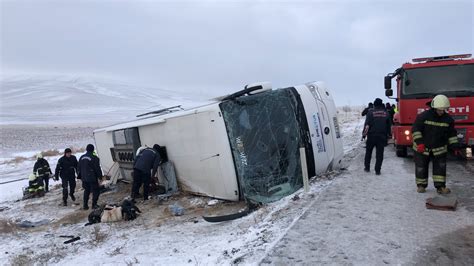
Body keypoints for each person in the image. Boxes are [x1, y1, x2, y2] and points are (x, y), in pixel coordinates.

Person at [412, 95, 458, 194]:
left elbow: (452, 134)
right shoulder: (423, 116)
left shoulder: (448, 120)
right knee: (421, 167)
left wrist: (454, 145)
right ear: (434, 107)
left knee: (440, 167)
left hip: (439, 148)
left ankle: (440, 187)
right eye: (439, 110)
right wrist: (419, 143)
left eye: (443, 110)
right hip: (422, 148)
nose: (441, 112)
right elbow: (416, 130)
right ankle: (421, 185)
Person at [363, 98, 391, 175]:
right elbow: (389, 126)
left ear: (374, 104)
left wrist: (364, 135)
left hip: (371, 136)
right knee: (380, 154)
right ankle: (377, 170)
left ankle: (367, 168)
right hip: (382, 136)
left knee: (368, 152)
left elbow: (367, 125)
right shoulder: (386, 113)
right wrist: (389, 135)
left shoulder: (370, 113)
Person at [78, 144, 103, 210]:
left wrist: (80, 176)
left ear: (86, 149)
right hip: (92, 178)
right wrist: (100, 177)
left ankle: (85, 205)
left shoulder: (81, 157)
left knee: (86, 191)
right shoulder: (95, 158)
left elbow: (79, 167)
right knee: (96, 191)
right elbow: (97, 168)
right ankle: (94, 205)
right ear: (93, 150)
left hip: (84, 178)